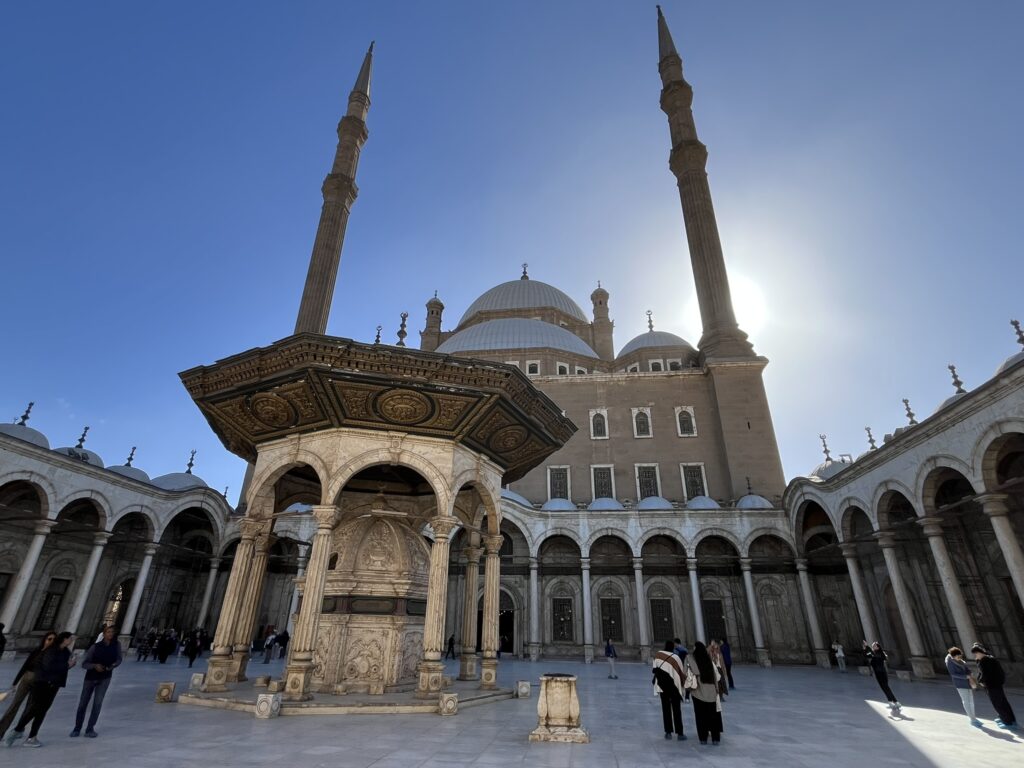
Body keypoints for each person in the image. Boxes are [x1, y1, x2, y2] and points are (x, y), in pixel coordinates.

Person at [3, 631, 76, 748]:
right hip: (42, 683)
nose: (71, 641)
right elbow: (48, 666)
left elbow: (60, 668)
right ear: (65, 639)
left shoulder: (66, 652)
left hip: (54, 684)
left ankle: (32, 737)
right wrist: (68, 665)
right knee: (35, 708)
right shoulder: (51, 650)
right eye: (70, 639)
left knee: (42, 711)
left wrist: (68, 666)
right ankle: (16, 731)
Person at [0, 632, 55, 740]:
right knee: (15, 704)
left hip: (39, 682)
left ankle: (19, 729)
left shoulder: (52, 654)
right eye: (49, 639)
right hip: (27, 678)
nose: (51, 641)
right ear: (44, 639)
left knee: (30, 706)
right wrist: (16, 682)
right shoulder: (37, 651)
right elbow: (25, 666)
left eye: (53, 640)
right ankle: (1, 730)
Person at [71, 625, 123, 738]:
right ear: (103, 634)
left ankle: (90, 728)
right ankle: (77, 727)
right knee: (83, 703)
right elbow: (84, 664)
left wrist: (113, 666)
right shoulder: (95, 647)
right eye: (108, 632)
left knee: (97, 703)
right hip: (90, 677)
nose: (110, 634)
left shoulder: (116, 646)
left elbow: (119, 659)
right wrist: (94, 666)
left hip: (105, 677)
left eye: (112, 632)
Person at [972, 643, 1017, 729]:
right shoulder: (989, 658)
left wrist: (981, 681)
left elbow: (985, 674)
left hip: (992, 685)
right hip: (996, 684)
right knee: (1003, 702)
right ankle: (1010, 720)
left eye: (976, 653)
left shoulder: (985, 661)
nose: (975, 655)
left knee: (998, 704)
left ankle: (1007, 722)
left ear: (981, 652)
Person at [686, 641, 724, 745]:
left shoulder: (690, 658)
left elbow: (687, 672)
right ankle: (716, 738)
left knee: (700, 716)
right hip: (711, 691)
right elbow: (715, 676)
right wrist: (716, 689)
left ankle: (703, 738)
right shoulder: (708, 660)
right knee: (713, 715)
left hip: (698, 691)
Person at [652, 640, 686, 741]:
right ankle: (680, 733)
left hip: (662, 687)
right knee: (676, 710)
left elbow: (654, 668)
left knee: (665, 709)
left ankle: (668, 732)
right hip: (674, 687)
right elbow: (681, 673)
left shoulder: (658, 655)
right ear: (673, 648)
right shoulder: (676, 658)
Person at [945, 647, 980, 727]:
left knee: (971, 700)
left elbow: (966, 669)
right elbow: (953, 674)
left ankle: (974, 717)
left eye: (960, 656)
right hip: (960, 683)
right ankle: (972, 719)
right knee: (966, 701)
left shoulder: (961, 661)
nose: (959, 658)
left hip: (968, 682)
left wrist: (969, 673)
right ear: (953, 656)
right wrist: (965, 676)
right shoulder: (950, 663)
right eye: (958, 657)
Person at [863, 641, 901, 712]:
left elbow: (873, 654)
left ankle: (894, 702)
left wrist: (867, 647)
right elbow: (867, 655)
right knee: (884, 688)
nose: (873, 647)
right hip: (878, 673)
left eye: (874, 646)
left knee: (886, 687)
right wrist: (865, 649)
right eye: (872, 646)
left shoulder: (880, 654)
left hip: (881, 673)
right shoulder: (874, 653)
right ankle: (892, 702)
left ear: (878, 647)